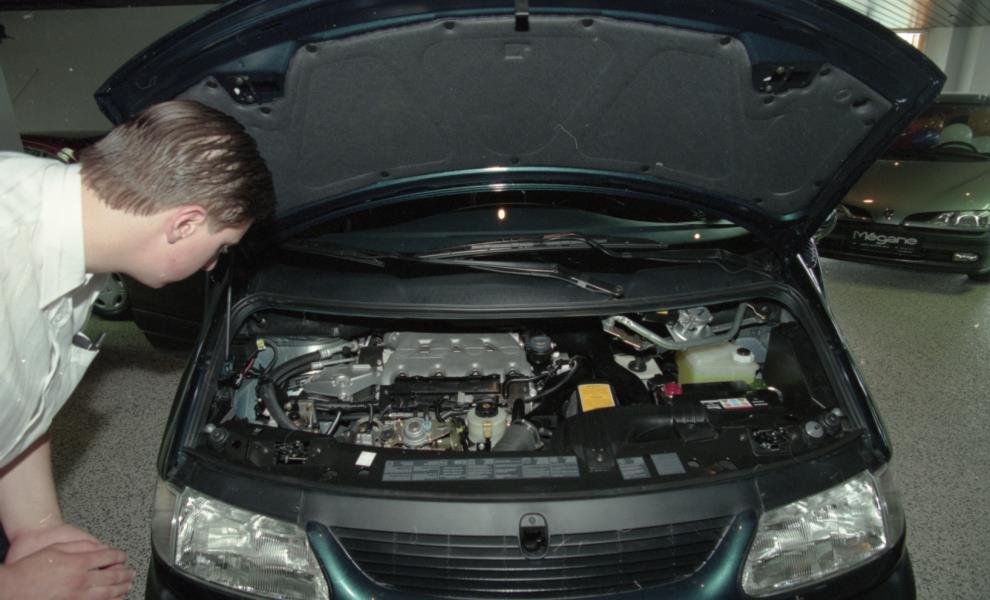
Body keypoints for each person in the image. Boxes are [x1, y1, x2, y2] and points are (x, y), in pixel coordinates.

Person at [0, 100, 275, 599]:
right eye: (221, 247)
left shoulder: (72, 225)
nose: (214, 265)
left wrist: (35, 529)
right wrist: (14, 587)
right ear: (184, 224)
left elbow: (22, 400)